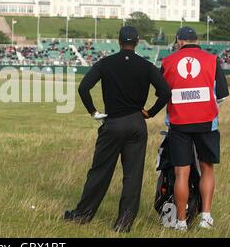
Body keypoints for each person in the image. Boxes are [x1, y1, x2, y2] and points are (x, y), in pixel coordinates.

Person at [64, 26, 171, 232]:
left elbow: (83, 88)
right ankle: (124, 223)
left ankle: (82, 215)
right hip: (136, 123)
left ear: (118, 41)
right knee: (132, 175)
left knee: (100, 171)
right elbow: (165, 92)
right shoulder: (146, 66)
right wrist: (151, 112)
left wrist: (94, 112)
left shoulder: (105, 63)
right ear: (137, 42)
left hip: (113, 123)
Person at [161, 27, 229, 231]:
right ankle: (205, 217)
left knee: (181, 173)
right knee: (207, 168)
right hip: (207, 122)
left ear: (179, 41)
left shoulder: (167, 61)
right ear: (196, 40)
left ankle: (181, 222)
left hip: (178, 123)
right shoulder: (212, 59)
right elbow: (222, 95)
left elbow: (162, 92)